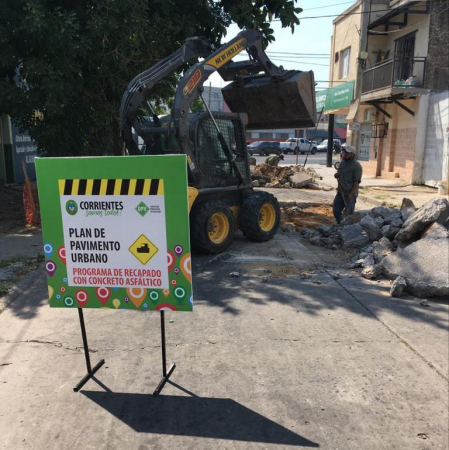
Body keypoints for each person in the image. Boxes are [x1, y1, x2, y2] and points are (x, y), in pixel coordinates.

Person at [333, 145, 363, 223]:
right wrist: (337, 175)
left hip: (350, 194)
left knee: (349, 215)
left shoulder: (356, 166)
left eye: (347, 153)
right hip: (341, 192)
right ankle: (341, 224)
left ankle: (348, 227)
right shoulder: (342, 163)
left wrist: (351, 194)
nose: (345, 154)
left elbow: (356, 182)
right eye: (344, 152)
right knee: (336, 210)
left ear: (352, 154)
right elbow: (340, 174)